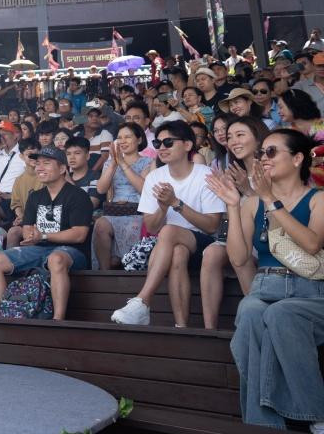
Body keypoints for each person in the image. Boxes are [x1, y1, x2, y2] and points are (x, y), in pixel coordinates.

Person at [207, 128, 324, 432]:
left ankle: (316, 413)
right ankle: (264, 426)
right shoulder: (250, 203)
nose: (263, 159)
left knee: (279, 313)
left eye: (271, 152)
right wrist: (233, 206)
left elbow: (312, 245)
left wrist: (271, 200)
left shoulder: (318, 200)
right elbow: (239, 258)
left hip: (310, 291)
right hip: (265, 286)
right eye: (262, 153)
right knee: (250, 311)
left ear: (298, 158)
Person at [111, 120, 226, 327]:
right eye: (158, 144)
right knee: (177, 252)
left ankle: (143, 300)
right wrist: (163, 207)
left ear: (188, 145)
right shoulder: (155, 177)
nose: (162, 148)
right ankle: (181, 326)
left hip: (205, 243)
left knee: (170, 231)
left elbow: (211, 226)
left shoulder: (205, 174)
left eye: (169, 142)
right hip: (170, 246)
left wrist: (176, 203)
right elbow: (152, 227)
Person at [0, 146, 93, 321]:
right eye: (38, 164)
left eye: (46, 163)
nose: (39, 168)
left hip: (72, 252)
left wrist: (43, 236)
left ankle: (58, 320)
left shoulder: (77, 196)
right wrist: (32, 234)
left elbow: (79, 234)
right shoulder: (35, 197)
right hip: (38, 249)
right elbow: (28, 228)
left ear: (62, 169)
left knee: (56, 259)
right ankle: (2, 314)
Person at [199, 117, 266, 329]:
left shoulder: (269, 166)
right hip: (240, 235)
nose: (233, 141)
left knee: (241, 255)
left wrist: (247, 190)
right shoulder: (233, 171)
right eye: (229, 137)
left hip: (267, 236)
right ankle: (209, 328)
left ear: (257, 137)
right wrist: (225, 195)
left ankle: (257, 318)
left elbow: (277, 210)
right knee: (212, 252)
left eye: (240, 135)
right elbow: (231, 217)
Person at [93, 123, 154, 270]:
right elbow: (101, 189)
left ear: (139, 140)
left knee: (132, 225)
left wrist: (123, 163)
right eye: (119, 138)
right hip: (114, 210)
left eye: (127, 137)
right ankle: (104, 274)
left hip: (138, 211)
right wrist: (114, 163)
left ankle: (129, 267)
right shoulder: (111, 162)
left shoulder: (148, 162)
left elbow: (144, 189)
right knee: (100, 224)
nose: (122, 141)